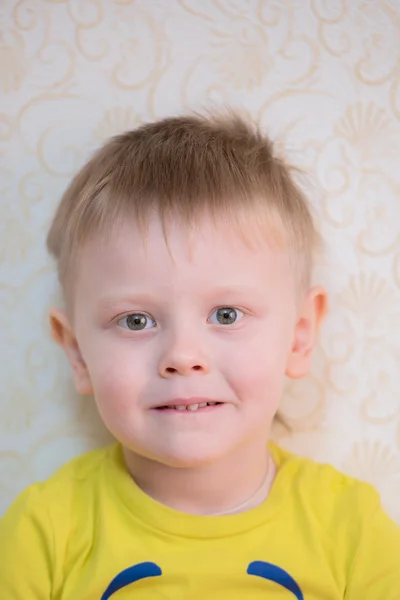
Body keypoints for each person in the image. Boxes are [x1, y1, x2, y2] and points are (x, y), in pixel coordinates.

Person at [1, 111, 399, 600]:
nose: (183, 356)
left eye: (227, 314)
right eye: (135, 321)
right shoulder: (42, 533)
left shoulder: (352, 531)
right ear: (78, 352)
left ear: (298, 336)